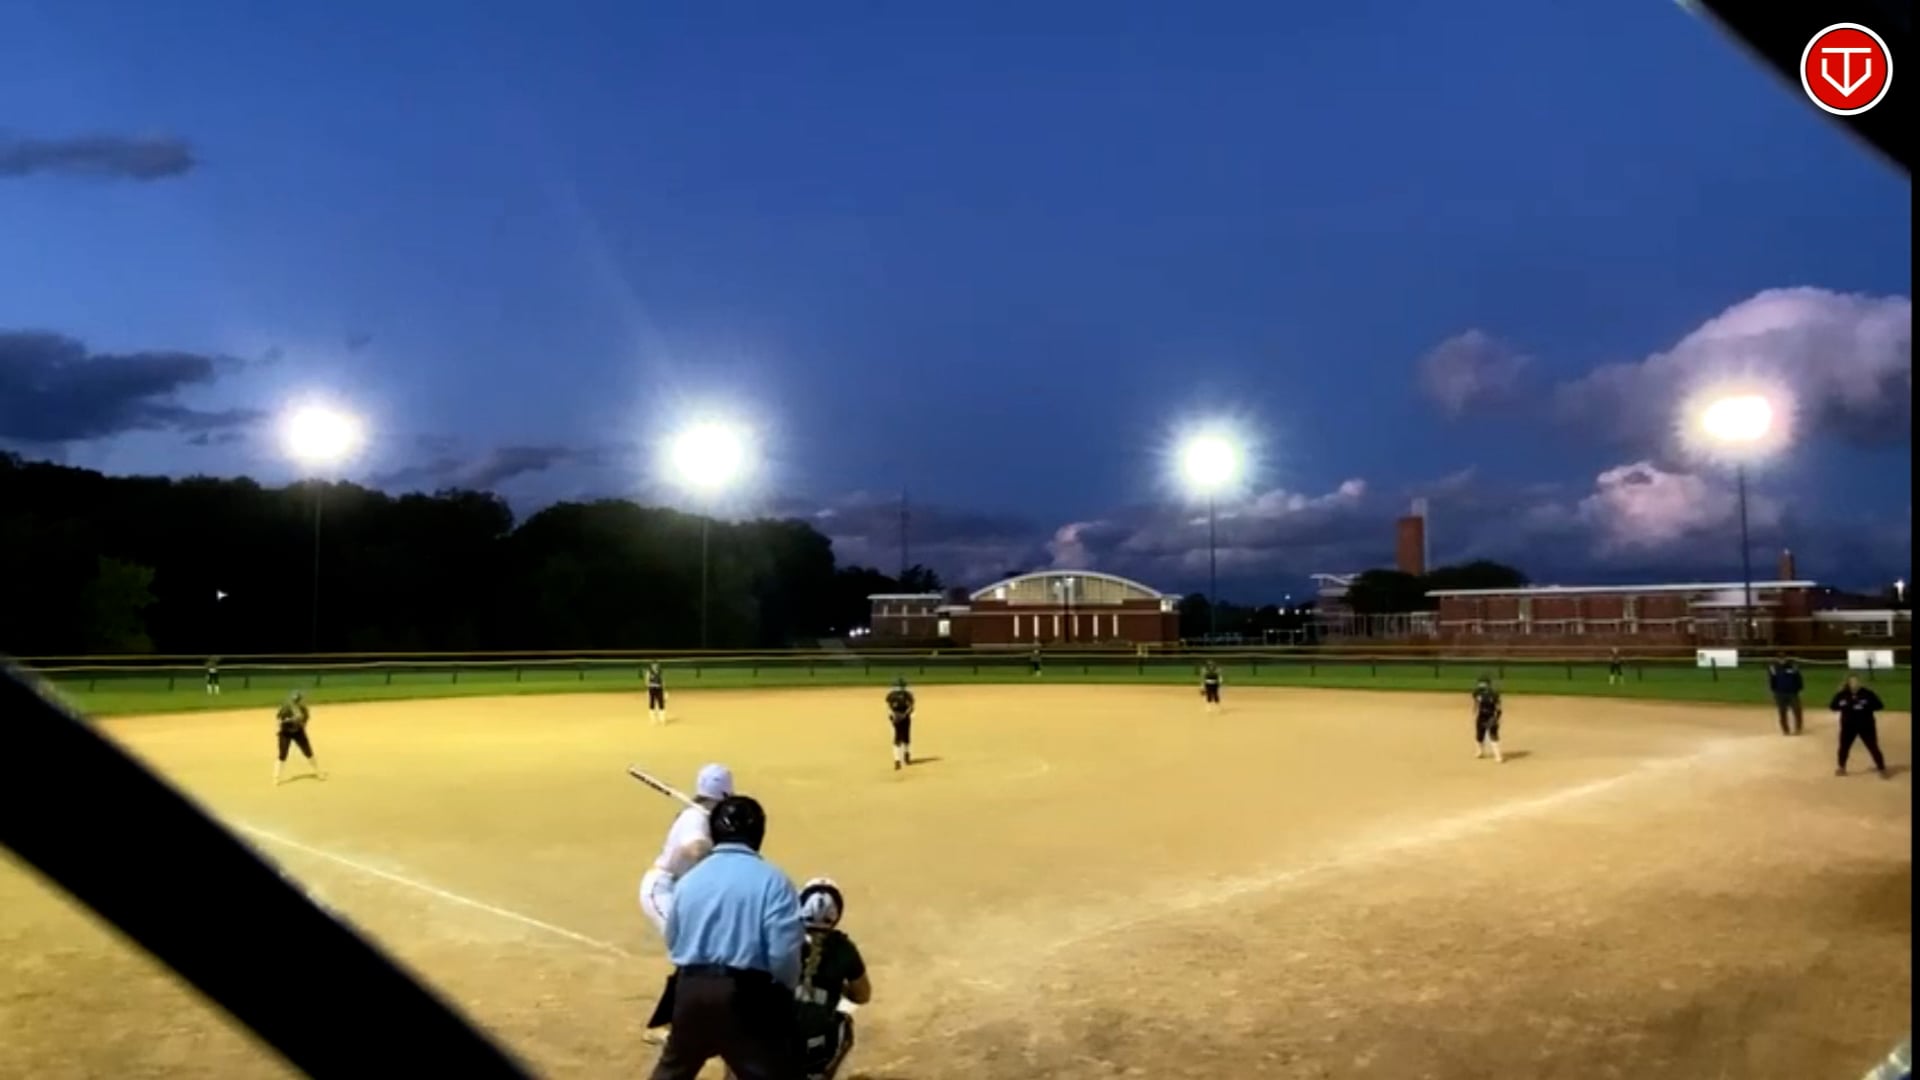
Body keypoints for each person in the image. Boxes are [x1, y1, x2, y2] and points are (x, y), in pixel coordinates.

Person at [650, 795, 806, 1080]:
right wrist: (783, 995)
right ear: (759, 833)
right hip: (746, 996)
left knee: (672, 1071)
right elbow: (783, 956)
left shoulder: (689, 881)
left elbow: (674, 938)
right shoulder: (774, 882)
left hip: (690, 992)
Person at [640, 763, 735, 935]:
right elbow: (696, 850)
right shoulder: (695, 817)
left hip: (683, 890)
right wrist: (721, 841)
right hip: (663, 888)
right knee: (685, 937)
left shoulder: (705, 818)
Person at [792, 878, 871, 1080]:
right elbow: (863, 995)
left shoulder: (781, 938)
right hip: (815, 1050)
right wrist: (836, 988)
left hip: (767, 1047)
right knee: (845, 1023)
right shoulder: (844, 949)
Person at [1829, 675, 1890, 779]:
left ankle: (1882, 769)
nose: (1855, 683)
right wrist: (1840, 699)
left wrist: (1866, 706)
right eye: (1852, 682)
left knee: (1873, 746)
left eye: (1856, 681)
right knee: (1844, 747)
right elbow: (1833, 707)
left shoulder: (1868, 693)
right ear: (1848, 683)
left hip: (1866, 725)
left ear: (1860, 683)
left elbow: (1879, 706)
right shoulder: (1842, 694)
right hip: (1848, 726)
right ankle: (1841, 767)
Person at [273, 690, 323, 785]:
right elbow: (279, 721)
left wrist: (299, 722)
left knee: (308, 752)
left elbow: (304, 722)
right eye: (294, 700)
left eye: (297, 700)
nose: (296, 702)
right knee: (283, 754)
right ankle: (276, 777)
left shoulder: (303, 710)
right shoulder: (286, 709)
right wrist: (290, 720)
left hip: (298, 732)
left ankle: (318, 772)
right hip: (285, 733)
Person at [1767, 654, 1805, 735]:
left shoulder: (1793, 667)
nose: (1782, 661)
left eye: (1783, 659)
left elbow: (1798, 678)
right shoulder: (1773, 668)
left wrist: (1800, 689)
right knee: (1782, 712)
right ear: (1777, 659)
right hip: (1780, 693)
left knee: (1797, 710)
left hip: (1792, 693)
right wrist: (1773, 691)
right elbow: (1772, 680)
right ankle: (1785, 730)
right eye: (1780, 659)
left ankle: (1798, 728)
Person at [884, 678, 914, 771]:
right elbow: (911, 707)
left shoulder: (891, 695)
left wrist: (892, 715)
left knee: (897, 738)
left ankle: (897, 760)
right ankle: (906, 755)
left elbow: (888, 707)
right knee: (906, 737)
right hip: (905, 718)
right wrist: (904, 715)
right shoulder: (908, 694)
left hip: (896, 718)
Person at [1472, 676, 1504, 763]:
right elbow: (1476, 702)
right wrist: (1474, 710)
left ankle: (1498, 756)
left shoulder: (1494, 694)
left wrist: (1497, 718)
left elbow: (1498, 707)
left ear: (1488, 684)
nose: (1480, 685)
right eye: (1480, 683)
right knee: (1480, 735)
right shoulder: (1477, 692)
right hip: (1481, 716)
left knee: (1493, 735)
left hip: (1491, 716)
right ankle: (1480, 752)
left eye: (1483, 683)